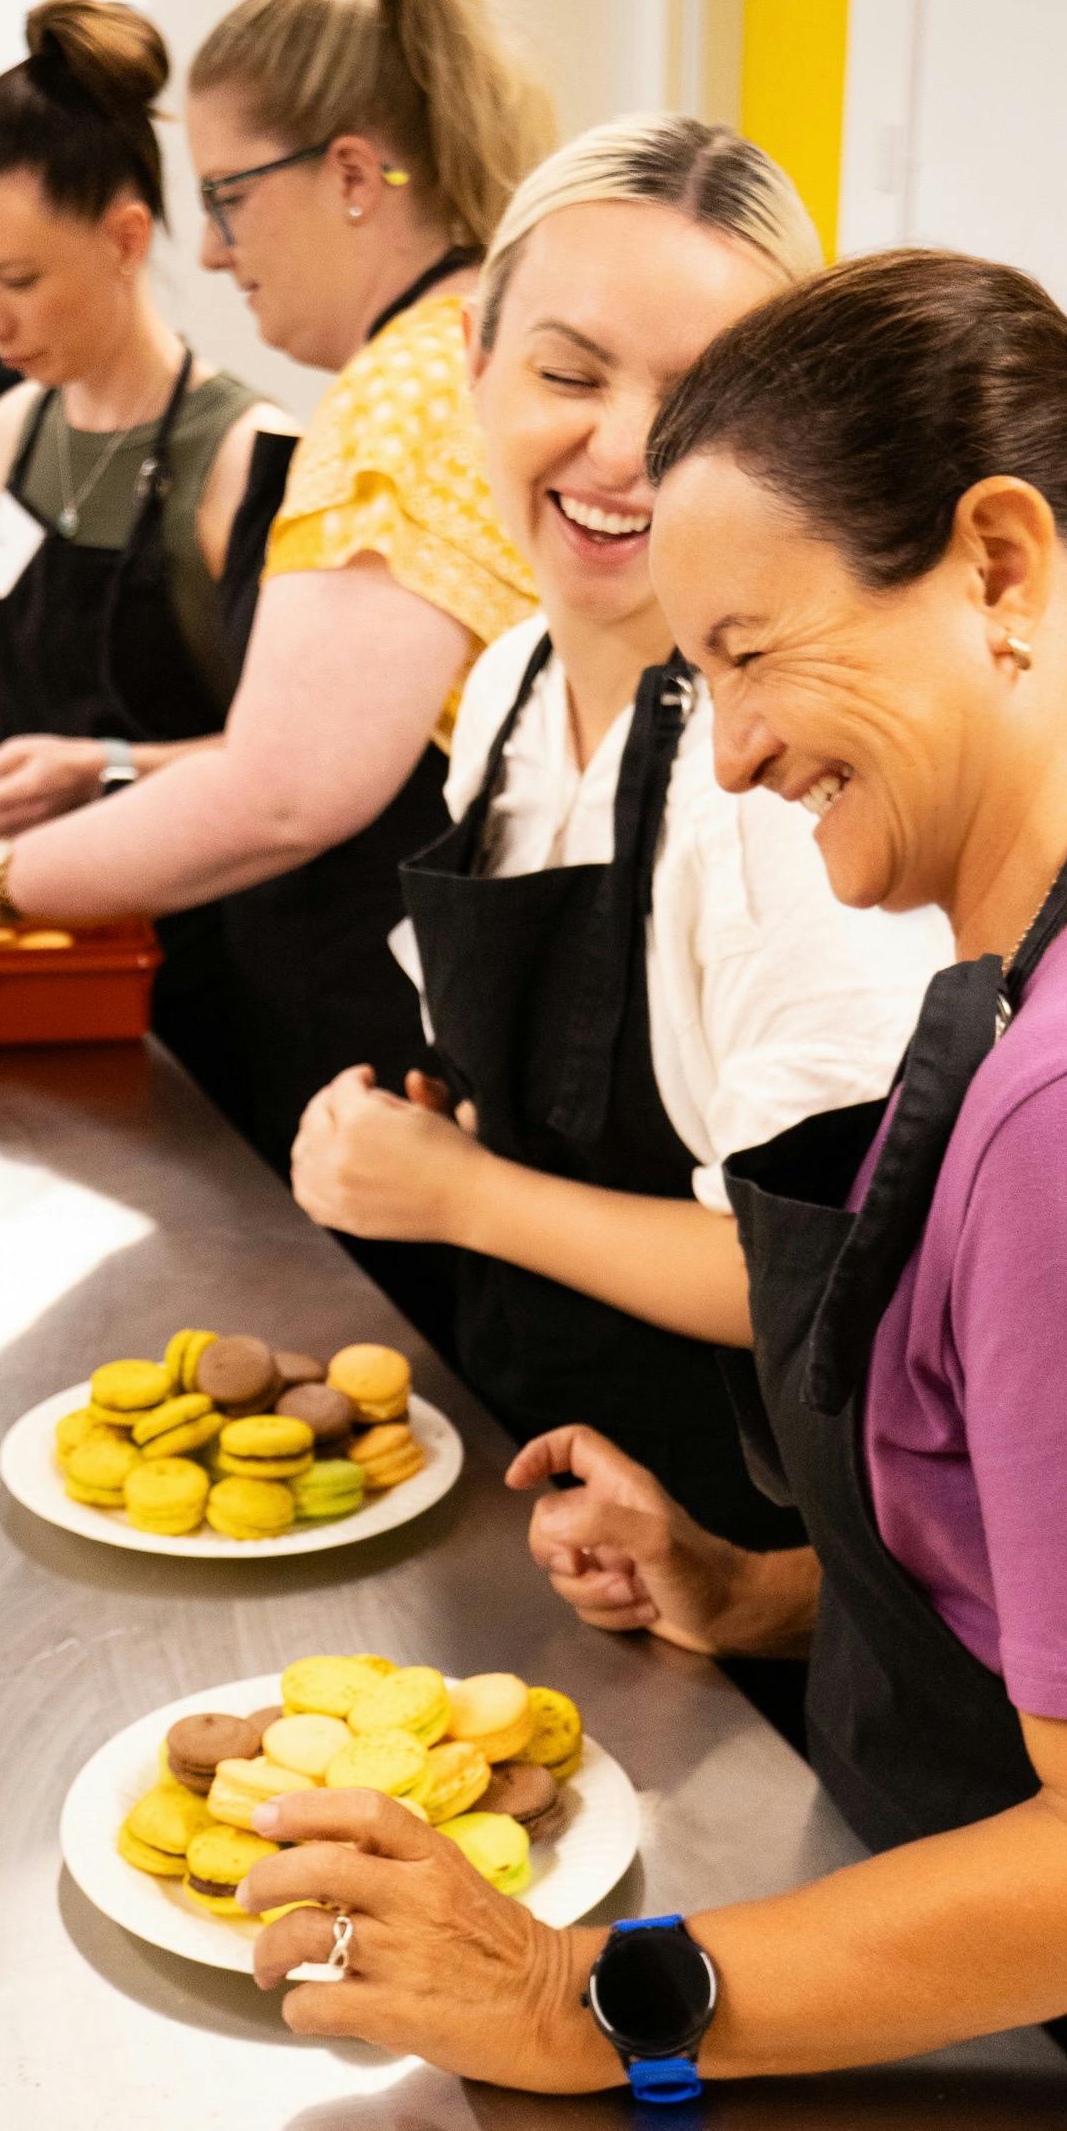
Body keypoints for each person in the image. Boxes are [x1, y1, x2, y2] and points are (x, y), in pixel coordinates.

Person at [231, 252, 1067, 2131]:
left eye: (753, 654)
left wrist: (584, 1999)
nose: (743, 750)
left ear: (999, 564)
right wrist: (769, 1587)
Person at [289, 120, 945, 1687]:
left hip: (753, 1568)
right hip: (565, 1510)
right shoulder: (512, 679)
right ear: (474, 362)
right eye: (570, 376)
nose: (626, 453)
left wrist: (458, 1198)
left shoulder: (788, 778)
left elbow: (834, 1277)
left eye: (702, 403)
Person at [0, 0, 552, 1308]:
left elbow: (283, 790)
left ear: (353, 174)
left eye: (232, 195)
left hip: (390, 1015)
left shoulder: (395, 404)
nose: (218, 249)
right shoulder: (460, 347)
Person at [0, 0, 293, 1123]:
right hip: (13, 929)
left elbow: (286, 773)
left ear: (124, 237)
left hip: (194, 971)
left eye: (15, 280)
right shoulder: (15, 431)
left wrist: (100, 766)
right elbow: (27, 661)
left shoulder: (244, 459)